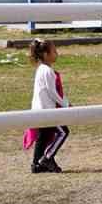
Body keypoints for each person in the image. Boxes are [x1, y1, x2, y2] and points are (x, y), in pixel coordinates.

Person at [22, 39, 69, 173]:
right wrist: (65, 104)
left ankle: (36, 164)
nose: (57, 53)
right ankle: (47, 158)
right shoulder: (47, 71)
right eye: (54, 51)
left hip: (39, 110)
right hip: (47, 112)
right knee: (63, 132)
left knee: (43, 136)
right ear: (45, 54)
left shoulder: (41, 70)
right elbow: (53, 92)